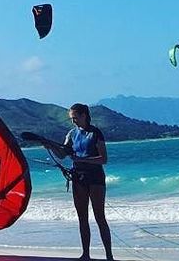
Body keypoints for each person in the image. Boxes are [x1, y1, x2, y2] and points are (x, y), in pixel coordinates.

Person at [65, 103, 113, 261]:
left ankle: (109, 256)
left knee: (100, 217)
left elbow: (103, 159)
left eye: (75, 118)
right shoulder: (71, 134)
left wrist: (81, 159)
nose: (73, 122)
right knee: (82, 218)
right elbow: (62, 153)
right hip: (78, 178)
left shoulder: (96, 133)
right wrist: (48, 145)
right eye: (72, 119)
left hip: (96, 178)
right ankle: (85, 255)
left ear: (84, 115)